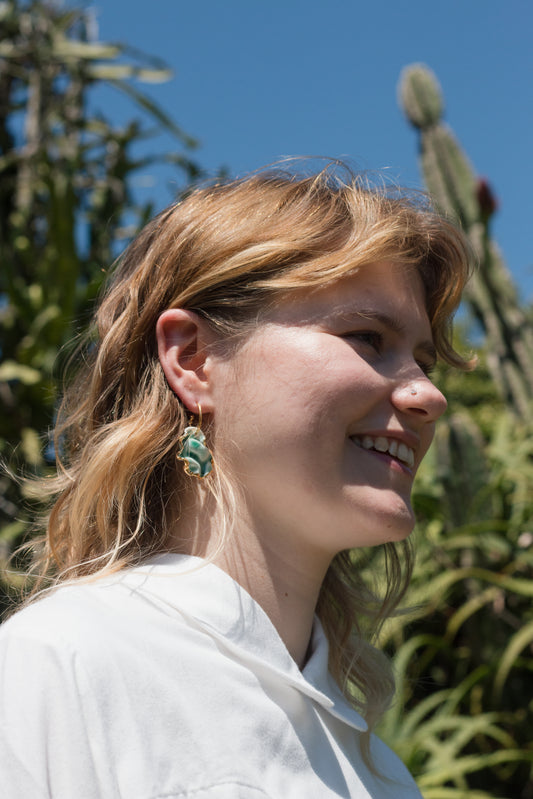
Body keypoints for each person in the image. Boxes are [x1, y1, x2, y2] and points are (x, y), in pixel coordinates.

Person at [0, 164, 472, 798]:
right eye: (367, 337)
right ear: (193, 359)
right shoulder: (54, 668)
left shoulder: (380, 773)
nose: (428, 394)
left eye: (424, 358)